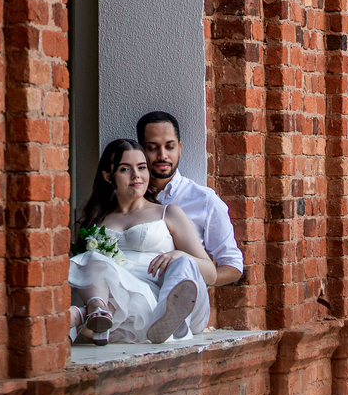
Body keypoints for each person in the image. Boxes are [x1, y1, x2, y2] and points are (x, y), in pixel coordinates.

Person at [67, 139, 216, 345]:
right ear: (108, 176)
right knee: (90, 259)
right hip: (130, 309)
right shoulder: (95, 222)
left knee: (184, 264)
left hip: (180, 305)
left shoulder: (168, 213)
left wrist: (179, 254)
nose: (136, 175)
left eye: (142, 167)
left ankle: (167, 316)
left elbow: (211, 273)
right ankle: (95, 313)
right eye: (125, 169)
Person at [137, 111, 244, 301]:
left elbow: (233, 267)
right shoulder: (127, 197)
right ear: (141, 151)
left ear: (179, 148)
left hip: (183, 303)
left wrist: (194, 280)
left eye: (169, 147)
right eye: (153, 148)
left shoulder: (204, 200)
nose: (163, 156)